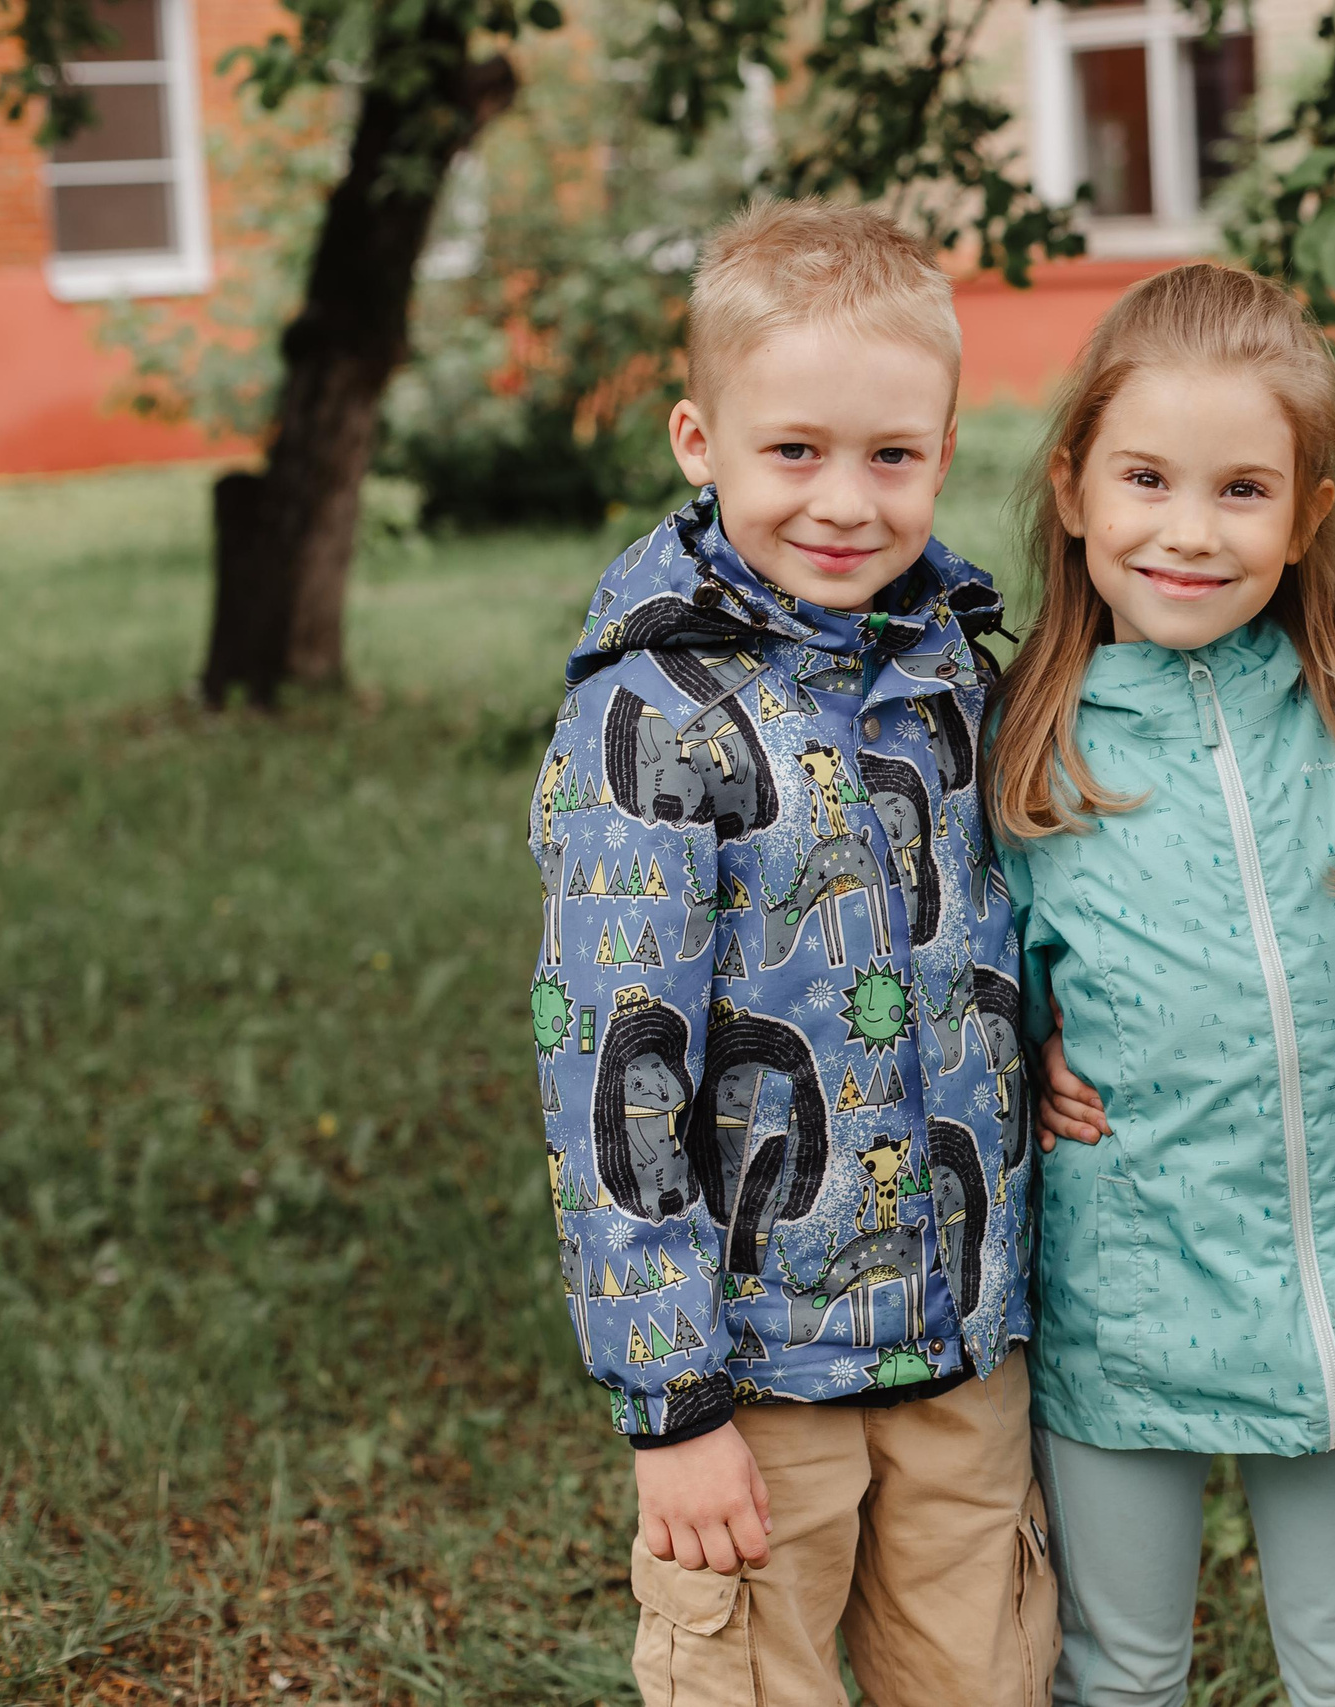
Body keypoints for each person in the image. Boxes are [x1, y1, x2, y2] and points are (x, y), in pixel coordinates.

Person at [526, 198, 1056, 1707]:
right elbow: (610, 1067)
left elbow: (1010, 923)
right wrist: (671, 1402)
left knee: (985, 1676)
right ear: (701, 442)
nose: (845, 501)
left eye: (891, 456)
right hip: (757, 1378)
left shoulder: (958, 667)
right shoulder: (651, 720)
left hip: (964, 1345)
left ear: (945, 453)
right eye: (793, 452)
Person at [986, 261, 1335, 1707]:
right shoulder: (1014, 756)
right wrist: (1022, 1065)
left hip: (1334, 1304)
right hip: (1123, 1309)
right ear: (1073, 489)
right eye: (1147, 480)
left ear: (1307, 515)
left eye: (1243, 490)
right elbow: (951, 990)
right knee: (1120, 1676)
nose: (1189, 531)